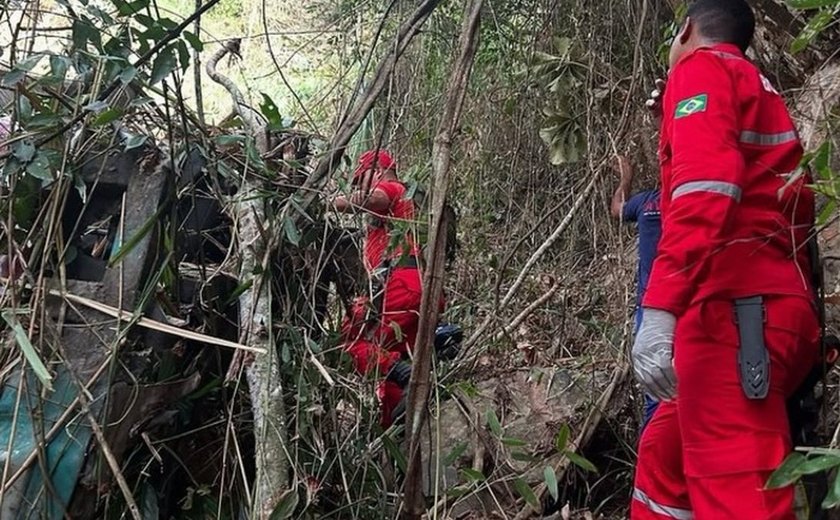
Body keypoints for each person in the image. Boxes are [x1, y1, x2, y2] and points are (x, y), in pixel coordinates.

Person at [630, 1, 819, 518]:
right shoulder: (755, 85)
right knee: (663, 466)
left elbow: (705, 191)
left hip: (735, 316)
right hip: (769, 309)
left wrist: (660, 310)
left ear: (686, 29)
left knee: (736, 492)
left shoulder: (700, 69)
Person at [331, 149, 425, 428]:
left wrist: (326, 203)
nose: (359, 186)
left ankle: (408, 376)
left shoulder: (393, 188)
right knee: (387, 364)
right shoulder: (405, 209)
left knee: (346, 342)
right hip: (417, 290)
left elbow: (375, 198)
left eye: (361, 178)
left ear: (377, 169)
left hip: (398, 284)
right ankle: (396, 425)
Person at [609, 155, 661, 427]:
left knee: (655, 389)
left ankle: (651, 457)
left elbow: (617, 209)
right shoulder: (691, 198)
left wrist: (625, 179)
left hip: (652, 306)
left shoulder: (647, 202)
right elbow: (617, 210)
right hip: (673, 304)